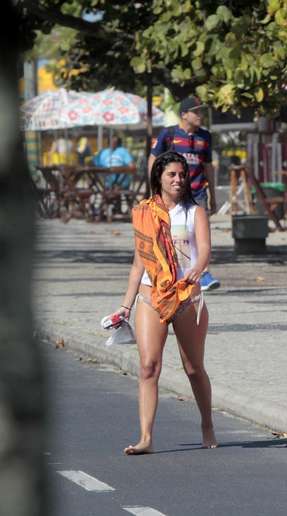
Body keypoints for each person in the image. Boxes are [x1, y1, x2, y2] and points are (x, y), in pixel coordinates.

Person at [108, 151, 217, 455]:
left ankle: (207, 423)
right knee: (147, 367)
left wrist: (198, 269)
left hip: (186, 297)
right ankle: (146, 437)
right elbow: (137, 265)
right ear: (159, 177)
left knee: (193, 368)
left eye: (182, 174)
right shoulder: (145, 213)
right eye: (172, 174)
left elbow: (205, 250)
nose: (178, 180)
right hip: (150, 295)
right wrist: (125, 306)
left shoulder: (194, 213)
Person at [149, 96, 220, 291]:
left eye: (201, 112)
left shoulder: (205, 137)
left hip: (198, 191)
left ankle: (203, 274)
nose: (200, 116)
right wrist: (154, 189)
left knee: (202, 234)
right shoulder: (169, 134)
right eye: (196, 112)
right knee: (175, 232)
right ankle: (175, 273)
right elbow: (153, 160)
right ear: (184, 115)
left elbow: (208, 166)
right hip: (173, 194)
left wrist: (212, 193)